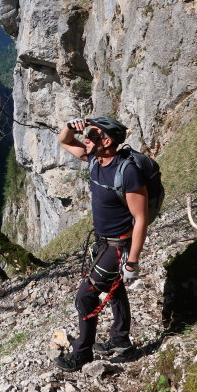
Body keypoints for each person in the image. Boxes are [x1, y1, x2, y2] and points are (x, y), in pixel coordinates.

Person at [55, 116, 148, 372]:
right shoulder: (94, 159)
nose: (86, 138)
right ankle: (121, 340)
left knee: (85, 297)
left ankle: (82, 353)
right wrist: (71, 126)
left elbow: (141, 218)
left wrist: (132, 262)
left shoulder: (127, 171)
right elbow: (64, 141)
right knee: (114, 289)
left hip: (118, 246)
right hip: (102, 242)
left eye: (92, 135)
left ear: (107, 141)